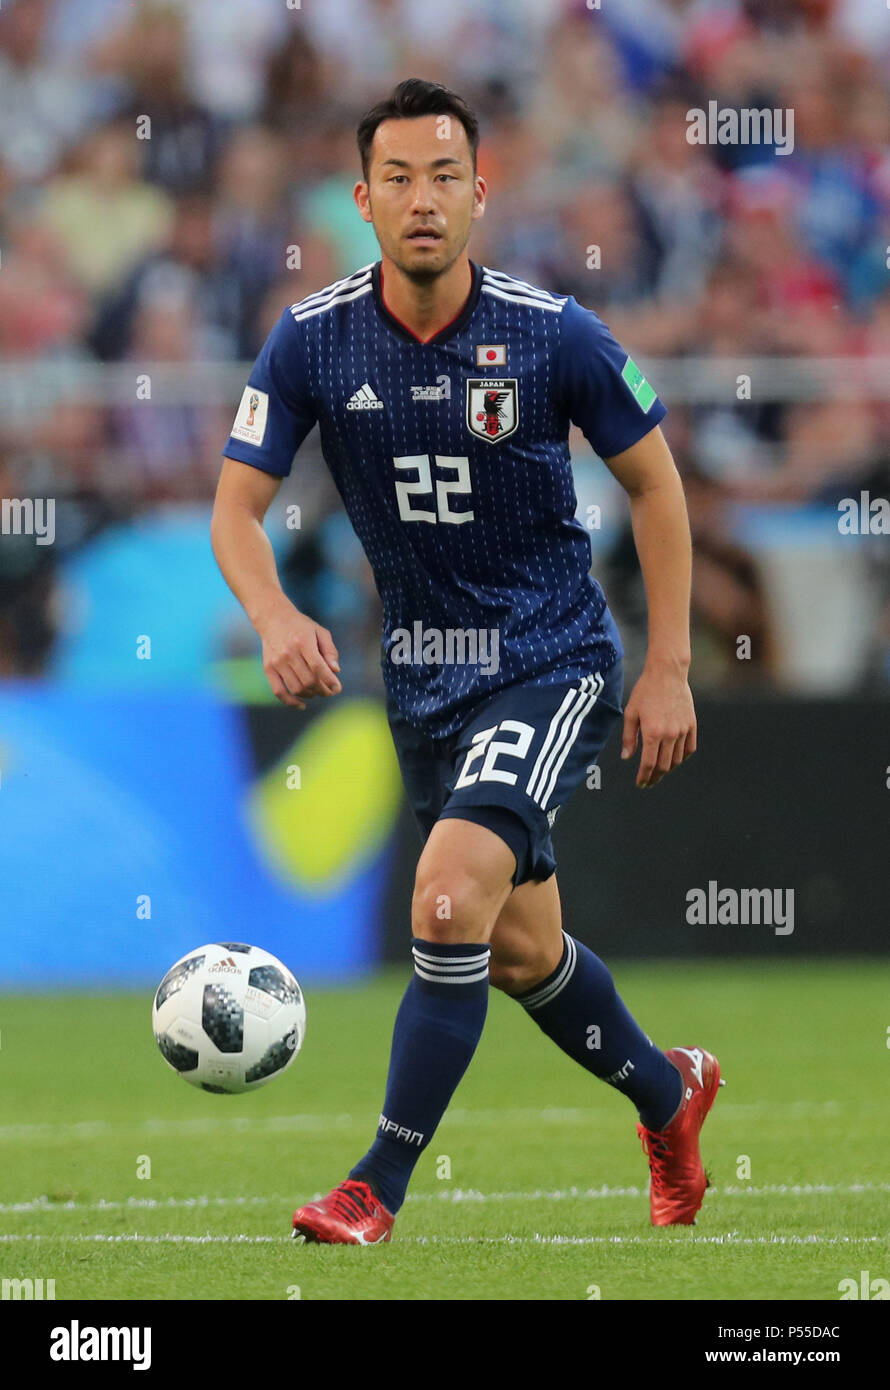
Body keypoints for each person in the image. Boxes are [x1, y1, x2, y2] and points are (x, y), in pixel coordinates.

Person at [211, 79, 722, 1246]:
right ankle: (667, 1092)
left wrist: (670, 664)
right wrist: (273, 613)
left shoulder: (553, 335)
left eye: (444, 176)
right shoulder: (310, 339)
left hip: (550, 657)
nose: (422, 199)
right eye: (398, 178)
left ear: (479, 194)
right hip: (427, 682)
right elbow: (234, 514)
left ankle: (372, 1187)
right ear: (362, 199)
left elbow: (655, 483)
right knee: (517, 947)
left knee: (443, 897)